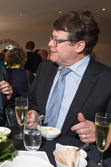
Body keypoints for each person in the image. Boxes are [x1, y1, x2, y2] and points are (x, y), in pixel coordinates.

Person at [27, 11, 111, 144]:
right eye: (51, 37)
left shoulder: (106, 80)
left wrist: (102, 134)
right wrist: (34, 112)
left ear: (79, 46)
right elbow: (32, 98)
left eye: (57, 40)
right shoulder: (45, 68)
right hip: (38, 147)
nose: (50, 44)